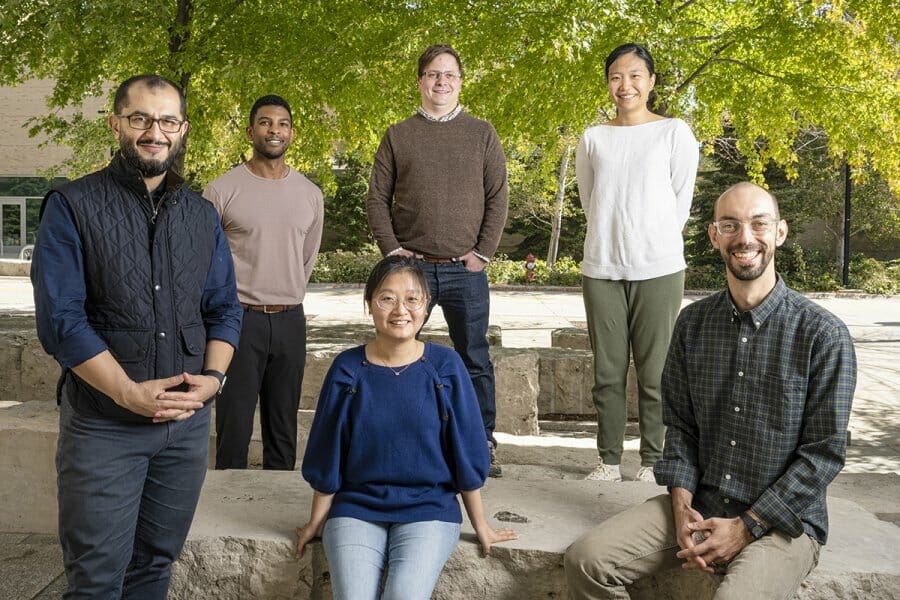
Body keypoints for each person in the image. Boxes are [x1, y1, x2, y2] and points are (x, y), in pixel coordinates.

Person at [564, 182, 857, 599]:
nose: (745, 237)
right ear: (714, 235)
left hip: (784, 523)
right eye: (731, 225)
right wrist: (682, 509)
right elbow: (680, 428)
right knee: (587, 561)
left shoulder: (823, 335)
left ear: (780, 233)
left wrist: (746, 527)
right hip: (701, 503)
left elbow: (823, 455)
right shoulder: (692, 324)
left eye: (759, 224)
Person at [31, 74, 243, 598]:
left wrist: (214, 378)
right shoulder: (71, 204)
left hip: (185, 429)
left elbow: (224, 308)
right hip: (105, 427)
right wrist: (127, 393)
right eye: (141, 118)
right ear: (116, 124)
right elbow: (63, 321)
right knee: (96, 577)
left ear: (183, 129)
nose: (155, 131)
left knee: (154, 565)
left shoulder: (201, 215)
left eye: (168, 120)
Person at [295, 256, 518, 599]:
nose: (401, 309)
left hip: (429, 508)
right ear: (370, 303)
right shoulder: (348, 367)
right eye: (387, 298)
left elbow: (466, 449)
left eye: (412, 299)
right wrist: (315, 521)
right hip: (357, 506)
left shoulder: (446, 367)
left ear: (426, 306)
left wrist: (481, 524)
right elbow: (328, 449)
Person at [366, 43, 509, 477]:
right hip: (413, 272)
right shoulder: (398, 134)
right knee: (396, 353)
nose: (441, 82)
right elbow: (376, 198)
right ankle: (392, 435)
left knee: (475, 359)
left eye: (449, 74)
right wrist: (393, 252)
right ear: (420, 81)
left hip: (465, 271)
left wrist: (482, 253)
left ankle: (482, 441)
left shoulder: (482, 133)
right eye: (432, 74)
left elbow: (497, 196)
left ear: (460, 81)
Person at [576, 43, 700, 482]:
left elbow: (680, 203)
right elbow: (593, 203)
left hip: (659, 268)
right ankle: (608, 460)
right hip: (602, 268)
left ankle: (653, 461)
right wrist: (614, 238)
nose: (624, 85)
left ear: (650, 81)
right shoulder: (593, 138)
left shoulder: (674, 133)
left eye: (634, 76)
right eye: (615, 77)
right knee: (607, 372)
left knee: (656, 373)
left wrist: (648, 241)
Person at [204, 94, 324, 470]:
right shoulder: (221, 190)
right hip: (238, 320)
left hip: (291, 319)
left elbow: (307, 258)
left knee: (283, 424)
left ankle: (277, 502)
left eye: (282, 124)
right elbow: (206, 262)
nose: (275, 130)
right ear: (250, 130)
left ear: (291, 133)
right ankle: (227, 503)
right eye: (266, 122)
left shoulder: (310, 194)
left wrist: (287, 296)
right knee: (234, 423)